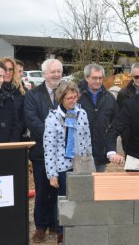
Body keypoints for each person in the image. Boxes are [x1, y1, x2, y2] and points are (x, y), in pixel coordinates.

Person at [43, 81, 92, 244]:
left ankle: (80, 229)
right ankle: (63, 232)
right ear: (61, 98)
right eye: (70, 98)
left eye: (75, 97)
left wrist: (89, 159)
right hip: (62, 167)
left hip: (81, 164)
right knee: (65, 199)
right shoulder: (52, 118)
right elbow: (49, 147)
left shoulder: (82, 114)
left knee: (82, 198)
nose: (74, 100)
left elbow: (87, 138)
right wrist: (52, 174)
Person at [24, 59, 62, 243]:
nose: (56, 75)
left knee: (58, 190)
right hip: (41, 151)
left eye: (59, 71)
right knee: (42, 191)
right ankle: (40, 227)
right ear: (44, 73)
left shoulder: (66, 92)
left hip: (62, 154)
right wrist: (53, 136)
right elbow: (31, 120)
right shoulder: (33, 94)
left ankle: (55, 223)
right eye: (52, 71)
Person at [77, 64, 118, 172]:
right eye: (94, 78)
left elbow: (115, 124)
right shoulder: (76, 97)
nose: (98, 81)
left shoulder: (110, 98)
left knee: (98, 184)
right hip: (81, 154)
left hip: (101, 152)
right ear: (86, 78)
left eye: (100, 78)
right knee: (83, 185)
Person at [116, 62, 139, 154]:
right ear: (132, 76)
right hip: (131, 143)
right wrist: (125, 135)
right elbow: (120, 118)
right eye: (136, 77)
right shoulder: (123, 94)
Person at [0, 57, 29, 141]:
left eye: (10, 69)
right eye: (5, 69)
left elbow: (24, 118)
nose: (8, 73)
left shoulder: (23, 92)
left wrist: (15, 135)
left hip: (16, 138)